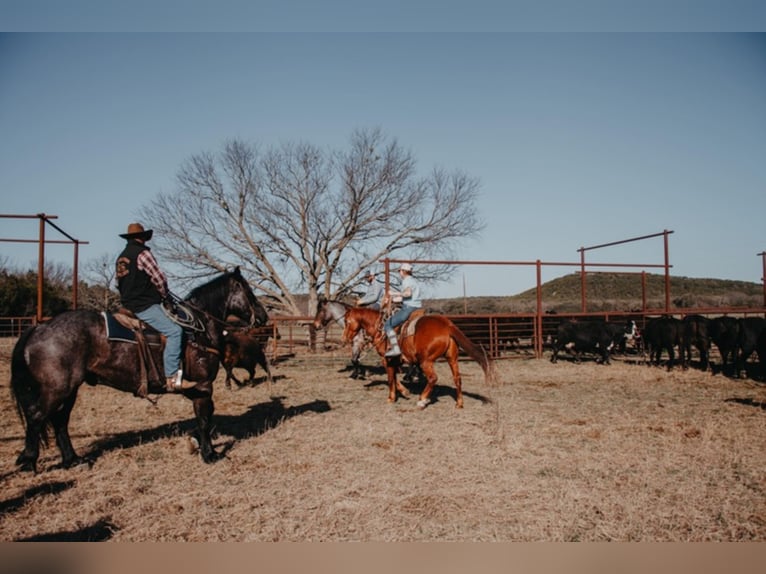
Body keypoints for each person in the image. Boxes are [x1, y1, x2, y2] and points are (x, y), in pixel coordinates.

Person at [115, 222, 184, 392]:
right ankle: (172, 377)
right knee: (175, 332)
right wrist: (165, 296)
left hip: (128, 304)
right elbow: (159, 277)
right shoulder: (143, 253)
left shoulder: (121, 258)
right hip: (144, 305)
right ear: (143, 237)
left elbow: (118, 283)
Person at [383, 262, 422, 357]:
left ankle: (395, 349)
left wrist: (393, 293)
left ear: (404, 271)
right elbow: (407, 297)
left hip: (408, 308)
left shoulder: (406, 281)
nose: (399, 273)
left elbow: (408, 294)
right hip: (417, 306)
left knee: (387, 325)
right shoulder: (414, 281)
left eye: (400, 271)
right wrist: (393, 300)